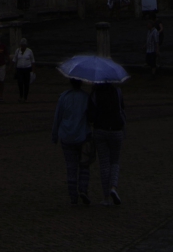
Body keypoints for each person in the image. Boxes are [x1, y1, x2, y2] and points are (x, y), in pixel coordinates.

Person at [51, 77, 93, 207]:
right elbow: (91, 117)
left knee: (71, 167)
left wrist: (55, 135)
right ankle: (83, 188)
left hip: (67, 136)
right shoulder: (86, 98)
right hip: (83, 136)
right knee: (84, 165)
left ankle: (73, 195)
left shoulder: (63, 97)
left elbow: (57, 117)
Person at [90, 80, 124, 205]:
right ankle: (113, 187)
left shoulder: (95, 94)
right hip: (116, 130)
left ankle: (106, 197)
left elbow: (91, 115)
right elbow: (122, 109)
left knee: (104, 163)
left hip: (100, 130)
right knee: (115, 161)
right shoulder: (118, 91)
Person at [13, 36, 36, 102]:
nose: (22, 46)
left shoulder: (29, 51)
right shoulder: (17, 51)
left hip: (27, 69)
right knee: (20, 83)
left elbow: (33, 61)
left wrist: (33, 70)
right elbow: (14, 60)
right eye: (21, 45)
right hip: (19, 69)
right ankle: (21, 96)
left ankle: (25, 97)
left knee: (26, 83)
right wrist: (12, 68)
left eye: (23, 45)